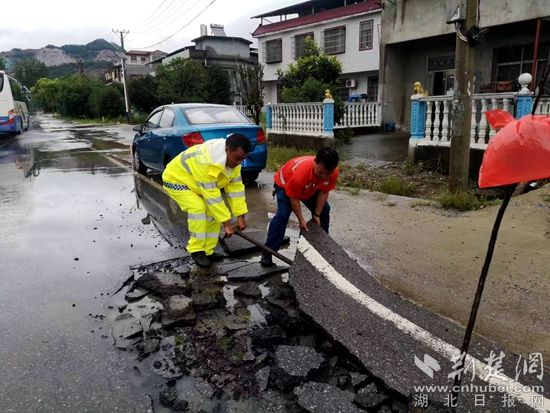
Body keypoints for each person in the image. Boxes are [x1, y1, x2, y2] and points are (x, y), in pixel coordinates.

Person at [162, 134, 250, 268]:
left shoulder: (234, 163)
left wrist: (240, 216)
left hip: (195, 184)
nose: (239, 162)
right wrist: (226, 223)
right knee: (198, 208)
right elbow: (212, 196)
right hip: (176, 180)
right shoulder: (205, 160)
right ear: (227, 150)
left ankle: (208, 251)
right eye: (238, 158)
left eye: (243, 159)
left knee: (212, 212)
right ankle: (196, 250)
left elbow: (236, 190)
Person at [261, 147, 339, 267]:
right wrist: (301, 220)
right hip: (285, 184)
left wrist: (317, 214)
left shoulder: (332, 173)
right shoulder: (300, 173)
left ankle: (322, 247)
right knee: (283, 215)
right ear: (315, 162)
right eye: (321, 172)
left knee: (324, 210)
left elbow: (324, 192)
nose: (324, 176)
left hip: (309, 187)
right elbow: (294, 198)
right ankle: (268, 252)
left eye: (327, 174)